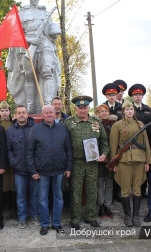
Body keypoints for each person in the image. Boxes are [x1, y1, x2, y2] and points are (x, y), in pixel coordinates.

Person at [6, 0, 61, 114]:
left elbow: (51, 32)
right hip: (27, 45)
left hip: (44, 44)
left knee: (48, 72)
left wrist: (54, 28)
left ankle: (48, 105)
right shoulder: (22, 14)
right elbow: (15, 33)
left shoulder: (45, 13)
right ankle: (30, 107)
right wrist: (29, 39)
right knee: (28, 76)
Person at [27, 105, 73, 235]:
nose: (49, 115)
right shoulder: (35, 130)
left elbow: (68, 149)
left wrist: (68, 167)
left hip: (59, 170)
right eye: (46, 113)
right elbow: (29, 152)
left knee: (59, 198)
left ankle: (57, 223)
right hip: (42, 172)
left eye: (51, 112)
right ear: (42, 115)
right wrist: (33, 171)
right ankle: (45, 224)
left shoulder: (63, 129)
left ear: (55, 114)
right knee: (42, 199)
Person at [64, 96, 108, 229]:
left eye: (85, 107)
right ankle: (75, 219)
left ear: (89, 108)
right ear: (75, 108)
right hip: (76, 163)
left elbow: (104, 141)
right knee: (76, 192)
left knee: (91, 190)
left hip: (93, 163)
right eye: (79, 108)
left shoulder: (96, 122)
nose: (82, 110)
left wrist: (104, 154)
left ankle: (90, 216)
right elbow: (63, 144)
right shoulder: (69, 123)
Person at [109, 101, 151, 227]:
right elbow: (113, 146)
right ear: (123, 111)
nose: (129, 111)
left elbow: (146, 144)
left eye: (131, 109)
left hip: (139, 159)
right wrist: (114, 163)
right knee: (125, 189)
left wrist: (148, 161)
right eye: (127, 109)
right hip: (124, 160)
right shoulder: (117, 125)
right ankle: (128, 216)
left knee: (137, 189)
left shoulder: (140, 124)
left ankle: (136, 216)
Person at [6, 105, 39, 229]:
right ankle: (22, 217)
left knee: (34, 194)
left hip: (34, 169)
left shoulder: (36, 128)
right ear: (15, 115)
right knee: (20, 195)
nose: (21, 115)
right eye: (19, 112)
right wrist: (13, 162)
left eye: (23, 112)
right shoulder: (10, 131)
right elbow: (8, 149)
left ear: (27, 114)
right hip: (19, 169)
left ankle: (34, 214)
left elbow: (40, 147)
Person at [128, 83, 151, 198]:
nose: (138, 96)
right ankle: (132, 189)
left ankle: (143, 190)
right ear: (132, 96)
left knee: (143, 168)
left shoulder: (148, 109)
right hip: (131, 141)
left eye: (140, 94)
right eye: (136, 94)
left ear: (142, 96)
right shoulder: (129, 109)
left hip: (144, 140)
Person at [95, 104, 118, 219]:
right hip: (98, 158)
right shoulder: (94, 124)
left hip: (111, 158)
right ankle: (100, 205)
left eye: (106, 111)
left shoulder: (114, 124)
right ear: (98, 113)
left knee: (109, 183)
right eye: (101, 111)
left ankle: (108, 205)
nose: (104, 113)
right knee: (99, 183)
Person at [0, 101, 17, 220]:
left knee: (13, 183)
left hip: (13, 156)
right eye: (2, 111)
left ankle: (13, 207)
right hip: (1, 158)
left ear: (9, 112)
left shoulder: (14, 124)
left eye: (6, 110)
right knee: (4, 184)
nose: (4, 113)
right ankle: (6, 208)